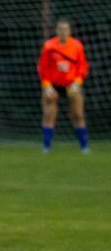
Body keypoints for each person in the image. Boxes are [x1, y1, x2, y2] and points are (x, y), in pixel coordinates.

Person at [37, 19, 90, 154]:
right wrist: (47, 86)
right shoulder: (49, 46)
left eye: (65, 29)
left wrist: (77, 84)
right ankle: (46, 147)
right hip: (53, 84)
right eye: (60, 29)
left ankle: (84, 147)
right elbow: (43, 68)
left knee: (77, 114)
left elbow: (82, 66)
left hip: (71, 84)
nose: (63, 32)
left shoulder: (77, 46)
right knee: (49, 114)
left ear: (70, 31)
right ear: (56, 31)